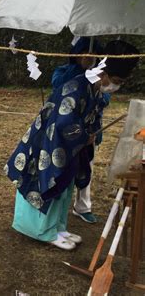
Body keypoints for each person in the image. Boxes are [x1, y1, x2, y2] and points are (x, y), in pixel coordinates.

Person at [5, 40, 139, 250]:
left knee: (65, 185)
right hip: (49, 142)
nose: (116, 86)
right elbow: (64, 121)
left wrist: (90, 134)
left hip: (68, 147)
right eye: (115, 80)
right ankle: (42, 230)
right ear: (102, 73)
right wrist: (84, 135)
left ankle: (58, 227)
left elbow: (91, 116)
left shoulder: (94, 89)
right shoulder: (75, 87)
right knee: (48, 183)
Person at [51, 37, 110, 224]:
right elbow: (59, 87)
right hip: (66, 133)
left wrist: (94, 77)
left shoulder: (100, 75)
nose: (87, 57)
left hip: (89, 132)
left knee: (86, 167)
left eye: (91, 54)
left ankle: (83, 207)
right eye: (83, 53)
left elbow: (105, 98)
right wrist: (79, 70)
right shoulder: (63, 71)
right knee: (62, 168)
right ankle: (55, 209)